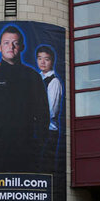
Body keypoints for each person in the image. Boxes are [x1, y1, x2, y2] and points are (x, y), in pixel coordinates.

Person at [0, 25, 49, 173]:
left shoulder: (33, 76)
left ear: (21, 47)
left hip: (25, 149)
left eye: (15, 43)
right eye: (6, 43)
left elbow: (43, 114)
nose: (11, 47)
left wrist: (38, 144)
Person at [36, 44, 62, 173]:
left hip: (48, 131)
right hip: (37, 129)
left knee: (46, 166)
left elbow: (52, 111)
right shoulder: (36, 79)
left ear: (52, 61)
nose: (42, 62)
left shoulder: (54, 82)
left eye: (46, 59)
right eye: (40, 58)